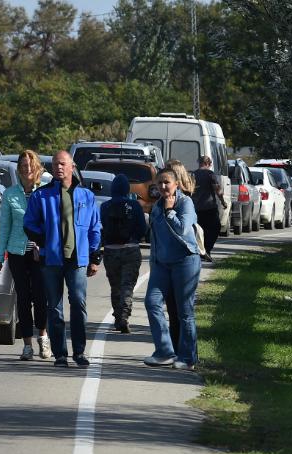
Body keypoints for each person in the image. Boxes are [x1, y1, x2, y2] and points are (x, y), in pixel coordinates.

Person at [23, 150, 102, 368]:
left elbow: (95, 227)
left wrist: (95, 256)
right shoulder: (41, 196)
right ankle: (60, 354)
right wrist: (45, 240)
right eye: (56, 164)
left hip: (77, 260)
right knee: (54, 308)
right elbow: (29, 223)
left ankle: (79, 352)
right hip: (52, 260)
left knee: (78, 303)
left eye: (63, 164)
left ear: (72, 166)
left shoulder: (86, 196)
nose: (59, 167)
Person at [143, 168, 202, 370]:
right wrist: (153, 262)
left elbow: (183, 229)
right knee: (152, 302)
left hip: (185, 262)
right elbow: (155, 239)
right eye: (159, 183)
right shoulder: (157, 206)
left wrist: (170, 211)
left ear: (176, 184)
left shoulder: (185, 203)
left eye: (167, 182)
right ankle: (165, 351)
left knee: (184, 311)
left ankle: (187, 357)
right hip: (162, 264)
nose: (163, 187)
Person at [0, 150, 50, 360]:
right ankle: (27, 345)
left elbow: (49, 224)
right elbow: (4, 227)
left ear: (36, 168)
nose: (27, 169)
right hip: (17, 252)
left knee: (40, 296)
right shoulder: (10, 194)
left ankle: (43, 337)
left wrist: (44, 247)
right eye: (23, 166)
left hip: (40, 253)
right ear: (18, 169)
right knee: (23, 298)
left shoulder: (44, 192)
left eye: (30, 165)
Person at [99, 173, 147, 334]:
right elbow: (142, 228)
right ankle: (124, 316)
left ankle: (118, 316)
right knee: (127, 286)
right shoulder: (135, 205)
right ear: (127, 189)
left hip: (111, 251)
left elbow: (102, 228)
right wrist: (134, 238)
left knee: (115, 286)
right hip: (131, 250)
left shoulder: (105, 206)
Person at [191, 155, 223, 256]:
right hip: (209, 207)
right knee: (215, 228)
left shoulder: (193, 175)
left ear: (199, 162)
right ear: (208, 164)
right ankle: (207, 249)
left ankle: (200, 250)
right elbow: (217, 190)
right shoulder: (210, 174)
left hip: (196, 207)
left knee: (199, 230)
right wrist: (223, 201)